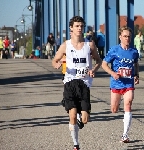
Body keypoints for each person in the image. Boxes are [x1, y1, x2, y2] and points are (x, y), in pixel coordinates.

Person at [52, 16, 102, 150]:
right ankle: (76, 144)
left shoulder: (89, 45)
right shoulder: (65, 45)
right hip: (69, 82)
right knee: (72, 115)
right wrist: (57, 64)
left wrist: (93, 69)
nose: (79, 28)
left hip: (84, 83)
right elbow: (54, 60)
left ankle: (81, 114)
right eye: (77, 26)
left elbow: (99, 61)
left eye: (81, 26)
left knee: (85, 119)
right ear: (71, 28)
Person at [102, 26, 139, 143]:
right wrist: (113, 73)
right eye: (125, 36)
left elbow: (136, 64)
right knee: (114, 109)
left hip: (128, 83)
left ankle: (125, 135)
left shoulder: (134, 52)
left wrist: (136, 75)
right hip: (116, 83)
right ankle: (119, 102)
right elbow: (104, 64)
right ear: (120, 37)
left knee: (128, 103)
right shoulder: (114, 50)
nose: (127, 38)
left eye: (129, 36)